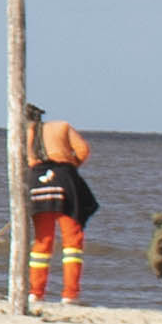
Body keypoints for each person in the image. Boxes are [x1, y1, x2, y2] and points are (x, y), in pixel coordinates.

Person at [20, 117, 98, 307]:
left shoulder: (25, 134)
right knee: (72, 241)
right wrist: (70, 166)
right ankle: (70, 294)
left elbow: (23, 161)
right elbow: (83, 150)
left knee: (42, 241)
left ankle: (35, 293)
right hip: (65, 181)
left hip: (37, 182)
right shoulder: (62, 127)